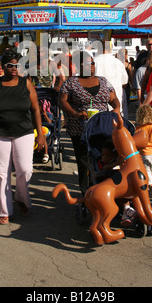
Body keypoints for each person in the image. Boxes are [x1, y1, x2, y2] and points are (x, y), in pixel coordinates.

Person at [0, 50, 45, 224]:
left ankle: (22, 199)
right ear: (2, 67)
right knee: (2, 172)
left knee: (25, 169)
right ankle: (3, 211)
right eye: (10, 66)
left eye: (16, 65)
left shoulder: (26, 83)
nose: (14, 68)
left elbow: (36, 109)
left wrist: (41, 135)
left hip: (24, 132)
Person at [58, 50, 120, 195]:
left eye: (92, 63)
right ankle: (87, 192)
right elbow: (62, 101)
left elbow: (113, 98)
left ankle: (105, 190)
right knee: (84, 162)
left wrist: (116, 108)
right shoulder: (71, 82)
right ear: (78, 65)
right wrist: (75, 113)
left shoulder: (103, 80)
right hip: (80, 128)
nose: (91, 66)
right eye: (87, 63)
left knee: (105, 158)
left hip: (103, 127)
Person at [94, 41, 128, 117]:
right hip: (116, 106)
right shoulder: (118, 63)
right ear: (111, 49)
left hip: (97, 107)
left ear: (99, 48)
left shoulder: (94, 62)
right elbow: (125, 81)